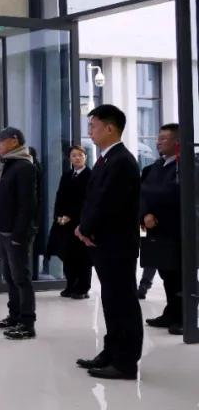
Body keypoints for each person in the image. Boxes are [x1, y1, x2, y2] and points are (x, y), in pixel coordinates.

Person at [75, 104, 143, 380]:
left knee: (122, 302)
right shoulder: (106, 159)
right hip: (104, 242)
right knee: (111, 300)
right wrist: (84, 228)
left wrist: (85, 228)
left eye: (93, 126)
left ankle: (125, 362)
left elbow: (108, 203)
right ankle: (111, 351)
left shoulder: (122, 161)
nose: (90, 131)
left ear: (110, 128)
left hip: (117, 244)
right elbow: (93, 199)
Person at [0, 127, 40, 340]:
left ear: (14, 141)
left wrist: (19, 234)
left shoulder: (24, 167)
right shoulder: (8, 165)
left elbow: (27, 205)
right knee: (10, 277)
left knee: (21, 278)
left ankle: (27, 323)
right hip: (4, 230)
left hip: (16, 233)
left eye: (0, 140)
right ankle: (14, 316)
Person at [140, 123, 183, 335]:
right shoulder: (155, 166)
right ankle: (171, 313)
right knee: (166, 273)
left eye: (164, 138)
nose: (158, 142)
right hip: (155, 229)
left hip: (178, 229)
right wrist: (145, 214)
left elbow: (173, 194)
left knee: (180, 274)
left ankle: (183, 317)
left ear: (178, 142)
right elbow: (142, 193)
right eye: (158, 138)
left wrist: (152, 199)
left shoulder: (187, 166)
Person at [52, 146, 92, 299]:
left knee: (83, 256)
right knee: (68, 255)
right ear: (69, 158)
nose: (77, 158)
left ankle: (82, 288)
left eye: (80, 155)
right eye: (74, 155)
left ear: (86, 157)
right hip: (65, 223)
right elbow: (60, 197)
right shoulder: (67, 175)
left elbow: (88, 200)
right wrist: (58, 216)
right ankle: (70, 285)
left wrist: (72, 216)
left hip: (81, 222)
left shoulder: (90, 175)